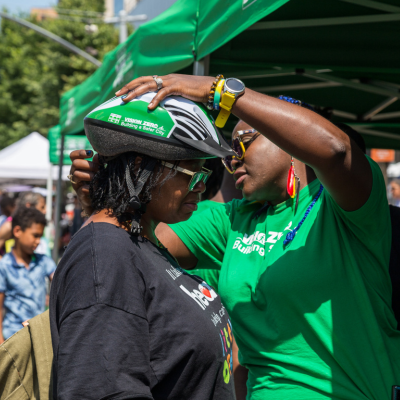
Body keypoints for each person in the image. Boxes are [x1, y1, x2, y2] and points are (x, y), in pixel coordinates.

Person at [71, 74, 400, 400]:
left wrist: (218, 91)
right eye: (228, 151)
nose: (231, 158)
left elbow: (336, 150)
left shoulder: (346, 210)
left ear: (287, 140)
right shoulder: (235, 219)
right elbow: (122, 246)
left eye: (244, 142)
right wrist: (111, 191)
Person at [50, 94, 237, 400]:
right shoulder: (106, 256)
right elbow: (100, 390)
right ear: (140, 166)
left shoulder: (139, 243)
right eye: (193, 174)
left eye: (205, 175)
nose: (202, 187)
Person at [0, 207, 56, 343]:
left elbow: (60, 282)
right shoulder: (4, 265)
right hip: (13, 337)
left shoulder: (43, 262)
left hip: (38, 335)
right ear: (17, 231)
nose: (38, 241)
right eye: (35, 235)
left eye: (40, 236)